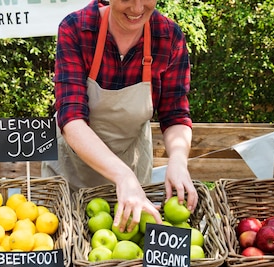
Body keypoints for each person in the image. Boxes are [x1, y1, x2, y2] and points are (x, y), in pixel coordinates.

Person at [42, 0, 198, 232]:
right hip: (72, 171)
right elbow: (71, 116)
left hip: (133, 172)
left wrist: (177, 161)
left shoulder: (168, 36)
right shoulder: (77, 28)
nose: (136, 9)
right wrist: (122, 176)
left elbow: (175, 114)